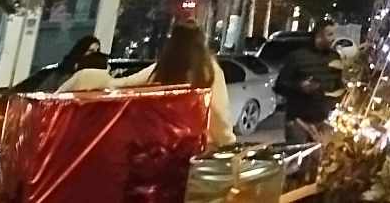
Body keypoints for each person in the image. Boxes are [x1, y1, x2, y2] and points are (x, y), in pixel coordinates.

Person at [60, 22, 234, 149]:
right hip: (197, 151)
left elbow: (121, 86)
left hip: (161, 149)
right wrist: (228, 142)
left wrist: (85, 77)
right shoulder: (209, 72)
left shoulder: (162, 69)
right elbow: (219, 115)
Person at [273, 22, 345, 141]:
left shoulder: (334, 57)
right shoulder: (297, 57)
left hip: (323, 122)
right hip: (299, 123)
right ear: (319, 35)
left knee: (322, 159)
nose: (333, 38)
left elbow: (338, 86)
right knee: (298, 157)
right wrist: (300, 87)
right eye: (330, 34)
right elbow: (279, 86)